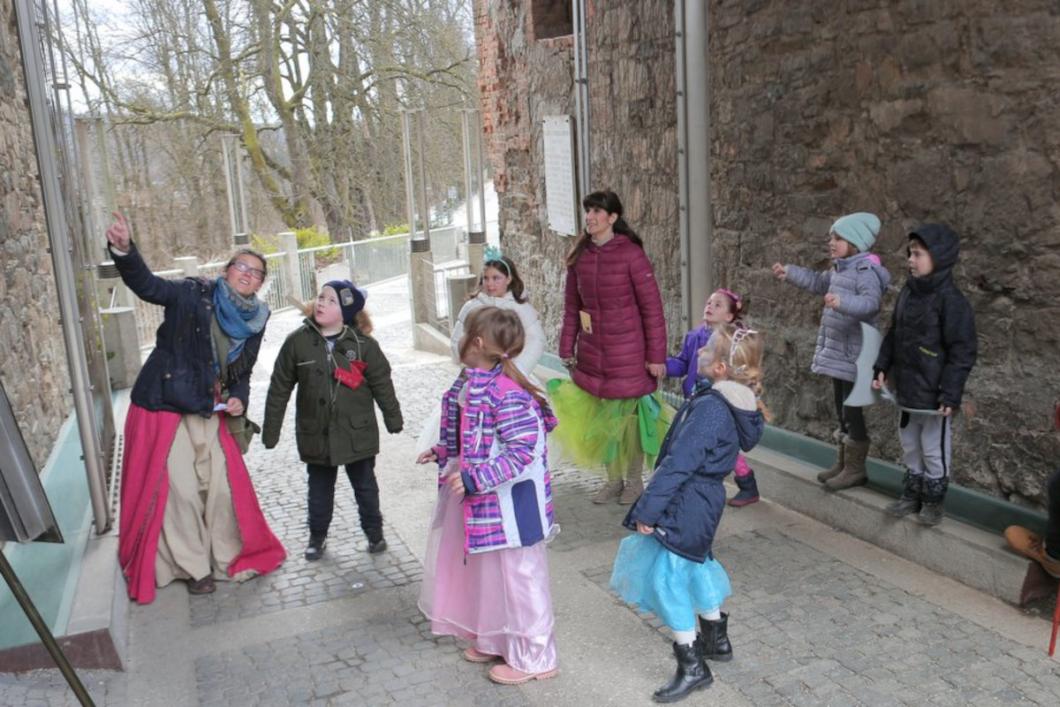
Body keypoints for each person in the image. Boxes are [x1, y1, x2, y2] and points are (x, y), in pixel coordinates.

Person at [107, 212, 285, 602]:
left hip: (209, 407)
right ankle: (193, 567)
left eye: (256, 273)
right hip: (166, 405)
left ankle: (225, 555)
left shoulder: (257, 318)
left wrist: (240, 396)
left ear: (260, 283)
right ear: (226, 271)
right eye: (242, 267)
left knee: (220, 490)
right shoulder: (192, 293)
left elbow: (243, 369)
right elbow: (149, 286)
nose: (248, 275)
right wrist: (124, 251)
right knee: (183, 491)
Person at [610, 325, 767, 703]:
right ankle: (718, 640)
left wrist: (648, 509)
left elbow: (679, 465)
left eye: (706, 351)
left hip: (687, 499)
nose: (697, 352)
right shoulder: (726, 401)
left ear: (719, 369)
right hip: (701, 499)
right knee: (695, 564)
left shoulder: (713, 409)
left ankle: (693, 666)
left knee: (669, 580)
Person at [417, 307, 559, 686]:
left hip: (514, 508)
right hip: (489, 503)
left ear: (477, 343)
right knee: (493, 575)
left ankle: (536, 655)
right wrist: (445, 451)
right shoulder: (474, 382)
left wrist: (477, 476)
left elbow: (522, 450)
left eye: (463, 333)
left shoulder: (507, 393)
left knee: (522, 578)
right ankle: (498, 637)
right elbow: (470, 432)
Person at [262, 280, 403, 560]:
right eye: (320, 297)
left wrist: (393, 418)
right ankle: (317, 536)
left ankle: (375, 533)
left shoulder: (363, 346)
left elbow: (382, 384)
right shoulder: (297, 342)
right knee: (319, 490)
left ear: (346, 312)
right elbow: (279, 388)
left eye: (331, 300)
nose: (322, 303)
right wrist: (271, 430)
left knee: (365, 487)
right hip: (317, 434)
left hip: (357, 432)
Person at [551, 190, 670, 505]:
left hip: (629, 356)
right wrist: (567, 346)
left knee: (629, 424)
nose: (589, 216)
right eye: (587, 211)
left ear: (613, 218)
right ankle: (612, 481)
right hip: (593, 354)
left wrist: (656, 358)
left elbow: (653, 310)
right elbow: (571, 307)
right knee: (603, 422)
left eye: (596, 211)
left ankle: (634, 483)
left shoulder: (632, 255)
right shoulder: (580, 257)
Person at [772, 212, 891, 490]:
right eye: (831, 237)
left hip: (855, 353)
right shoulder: (840, 269)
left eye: (838, 238)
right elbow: (817, 281)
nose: (832, 242)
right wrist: (789, 272)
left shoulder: (866, 273)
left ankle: (855, 468)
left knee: (852, 410)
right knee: (841, 409)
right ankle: (844, 462)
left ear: (856, 242)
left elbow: (870, 304)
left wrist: (842, 302)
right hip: (840, 353)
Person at [873, 224, 977, 526]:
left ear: (939, 257)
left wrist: (950, 392)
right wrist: (881, 367)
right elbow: (895, 334)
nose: (911, 260)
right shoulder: (908, 293)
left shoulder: (952, 301)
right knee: (910, 444)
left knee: (933, 448)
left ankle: (933, 500)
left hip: (934, 394)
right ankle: (912, 493)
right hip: (908, 390)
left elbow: (962, 351)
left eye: (918, 254)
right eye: (910, 253)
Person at [666, 288, 760, 507]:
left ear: (729, 316)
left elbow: (741, 373)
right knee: (697, 443)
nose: (709, 306)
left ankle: (746, 485)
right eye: (709, 303)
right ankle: (745, 485)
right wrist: (662, 365)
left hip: (721, 403)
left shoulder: (733, 344)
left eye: (718, 305)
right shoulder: (693, 336)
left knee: (718, 445)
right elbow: (682, 364)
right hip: (695, 400)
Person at [450, 246, 545, 378]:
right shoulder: (471, 307)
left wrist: (517, 371)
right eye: (486, 278)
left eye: (496, 278)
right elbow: (457, 340)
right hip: (477, 376)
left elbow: (536, 341)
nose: (490, 284)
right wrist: (475, 365)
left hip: (512, 376)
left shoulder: (522, 309)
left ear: (509, 279)